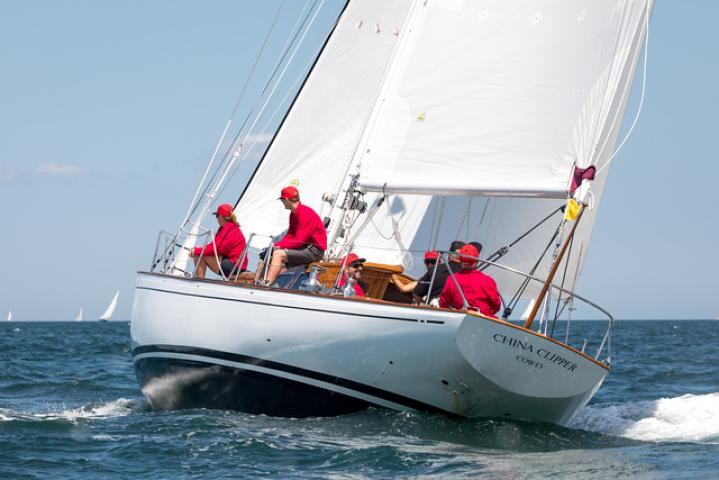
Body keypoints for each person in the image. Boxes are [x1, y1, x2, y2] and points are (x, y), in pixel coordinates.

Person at [261, 186, 327, 285]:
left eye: (282, 200)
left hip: (314, 251)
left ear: (287, 199)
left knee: (278, 254)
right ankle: (258, 282)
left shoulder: (305, 213)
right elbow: (290, 235)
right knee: (269, 252)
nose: (282, 202)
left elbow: (300, 239)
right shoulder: (293, 214)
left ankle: (267, 283)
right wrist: (276, 246)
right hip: (305, 247)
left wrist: (279, 247)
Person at [439, 244, 501, 317]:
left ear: (460, 260)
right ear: (477, 261)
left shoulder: (452, 279)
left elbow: (443, 303)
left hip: (459, 318)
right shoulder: (488, 280)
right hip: (484, 320)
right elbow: (496, 305)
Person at [189, 203, 248, 279]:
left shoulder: (229, 229)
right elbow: (213, 246)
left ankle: (200, 282)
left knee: (199, 255)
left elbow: (216, 249)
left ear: (221, 216)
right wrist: (198, 249)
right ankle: (200, 280)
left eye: (217, 216)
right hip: (234, 264)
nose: (216, 219)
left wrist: (196, 251)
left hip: (234, 266)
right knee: (202, 252)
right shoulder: (227, 228)